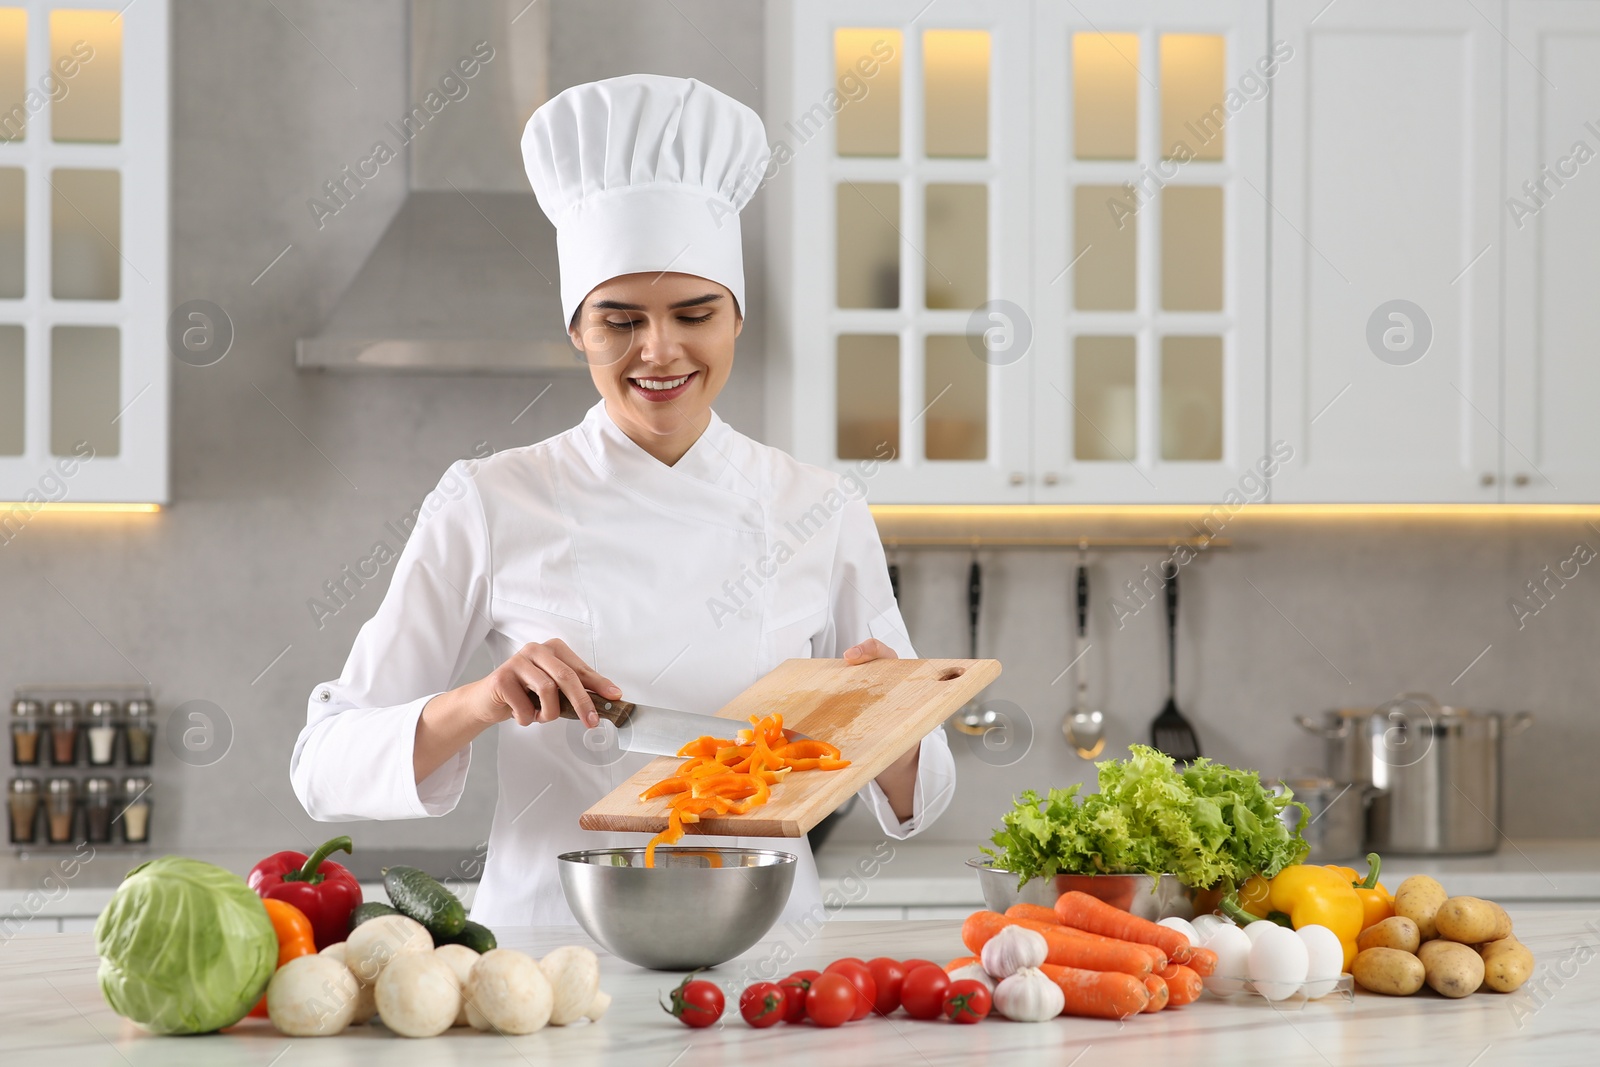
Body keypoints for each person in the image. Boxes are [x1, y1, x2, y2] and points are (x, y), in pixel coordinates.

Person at [290, 74, 955, 926]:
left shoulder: (819, 507)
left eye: (694, 312)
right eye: (619, 320)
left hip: (763, 961)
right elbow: (324, 765)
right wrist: (483, 700)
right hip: (547, 960)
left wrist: (882, 716)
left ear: (737, 316)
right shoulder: (491, 499)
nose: (660, 350)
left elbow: (921, 793)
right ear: (576, 326)